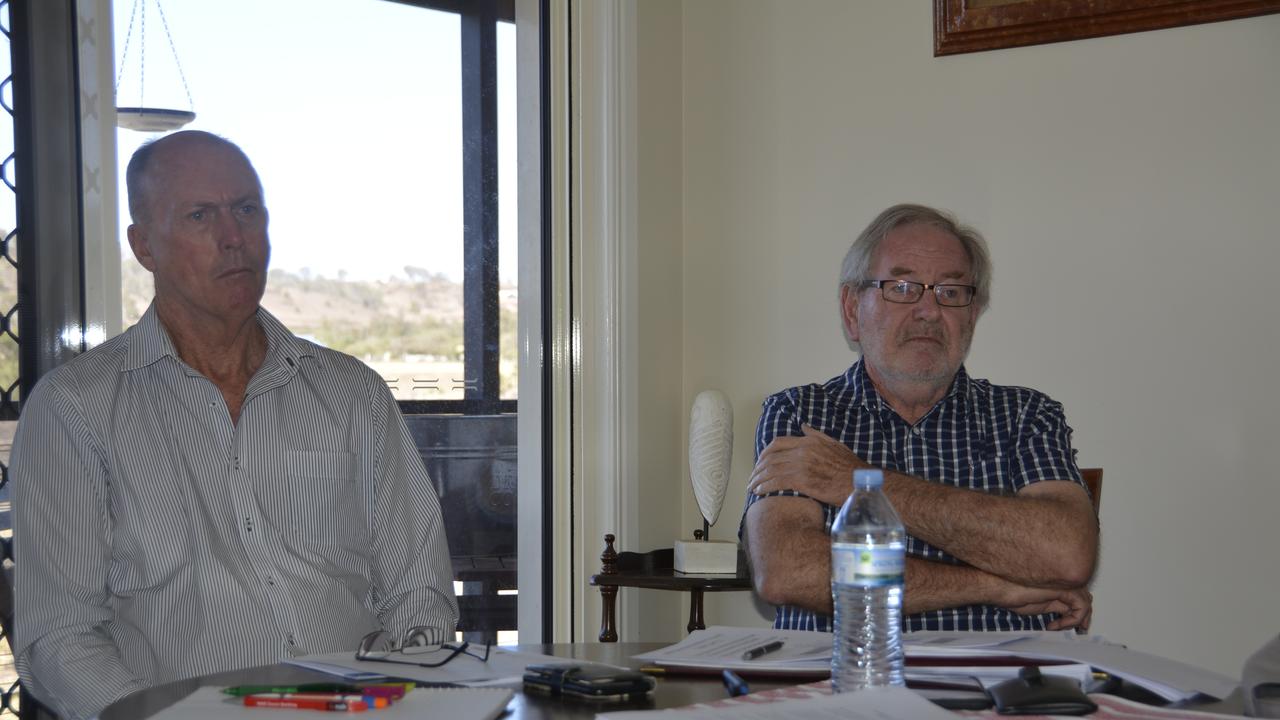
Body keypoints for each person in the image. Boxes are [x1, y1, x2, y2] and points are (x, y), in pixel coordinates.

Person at [11, 130, 458, 719]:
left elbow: (418, 593)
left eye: (247, 210)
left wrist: (404, 705)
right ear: (144, 246)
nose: (234, 238)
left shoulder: (351, 394)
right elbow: (60, 636)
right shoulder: (77, 409)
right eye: (201, 215)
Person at [741, 203, 1098, 633]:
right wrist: (995, 585)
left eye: (950, 292)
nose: (929, 310)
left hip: (993, 692)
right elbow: (787, 571)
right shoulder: (800, 415)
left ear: (972, 314)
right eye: (903, 287)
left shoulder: (1026, 416)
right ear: (852, 309)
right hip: (841, 686)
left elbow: (1067, 554)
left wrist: (855, 479)